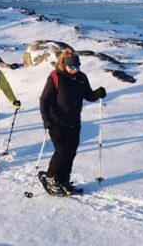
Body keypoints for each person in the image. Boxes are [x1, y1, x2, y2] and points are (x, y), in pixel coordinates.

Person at [39, 48, 106, 196]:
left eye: (78, 66)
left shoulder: (81, 77)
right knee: (61, 151)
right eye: (72, 67)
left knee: (71, 153)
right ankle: (51, 178)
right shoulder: (55, 77)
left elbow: (88, 95)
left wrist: (98, 93)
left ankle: (64, 180)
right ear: (65, 65)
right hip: (56, 122)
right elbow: (44, 100)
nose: (75, 70)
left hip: (74, 122)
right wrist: (47, 120)